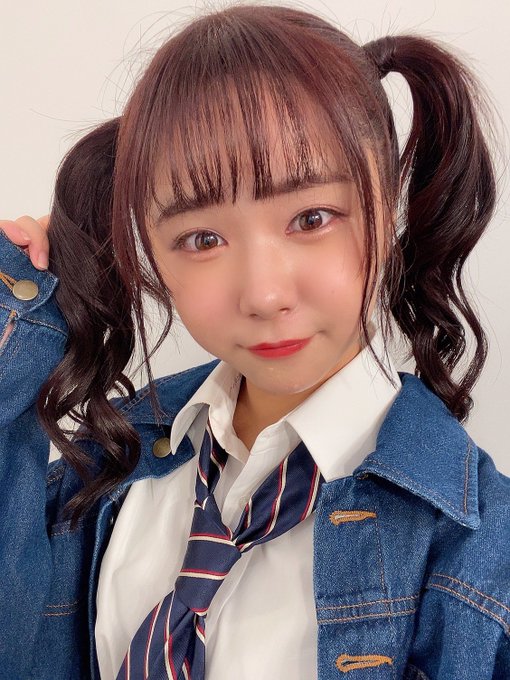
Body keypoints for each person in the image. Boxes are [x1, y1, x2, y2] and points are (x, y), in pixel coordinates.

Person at [0, 4, 508, 679]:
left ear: (388, 207)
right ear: (148, 249)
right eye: (202, 239)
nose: (264, 295)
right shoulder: (101, 469)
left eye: (312, 218)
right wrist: (18, 313)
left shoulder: (484, 557)